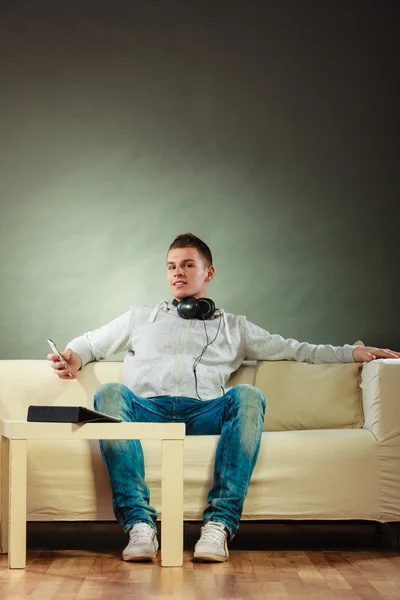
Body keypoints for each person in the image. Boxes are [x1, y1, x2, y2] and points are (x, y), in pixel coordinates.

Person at [47, 232, 400, 563]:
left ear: (208, 272)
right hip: (147, 409)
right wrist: (71, 359)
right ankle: (139, 527)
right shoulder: (142, 316)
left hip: (203, 413)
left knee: (248, 395)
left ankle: (218, 526)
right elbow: (89, 344)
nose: (177, 273)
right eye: (171, 266)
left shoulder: (234, 328)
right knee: (109, 391)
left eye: (187, 265)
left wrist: (352, 354)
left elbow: (296, 350)